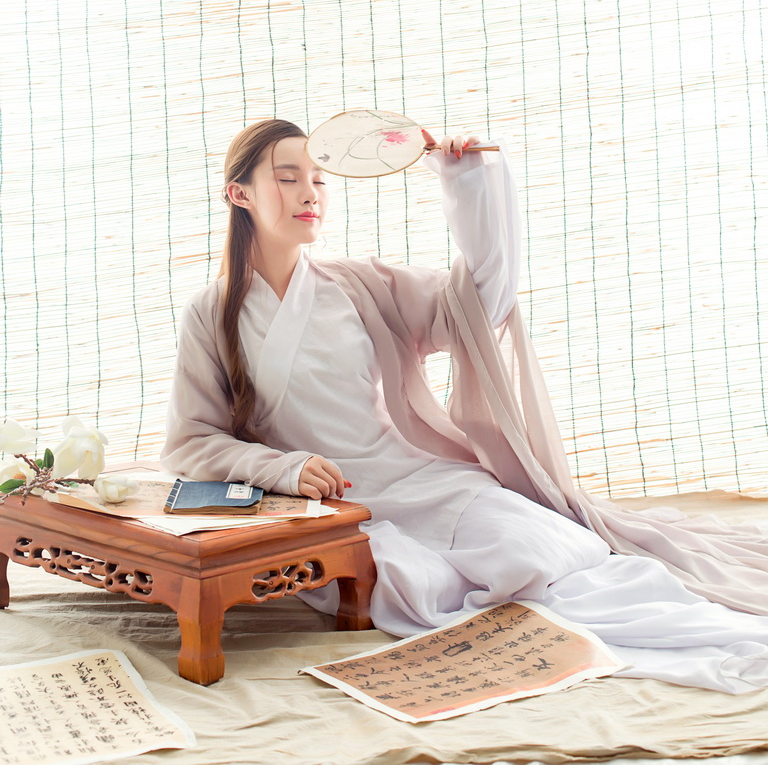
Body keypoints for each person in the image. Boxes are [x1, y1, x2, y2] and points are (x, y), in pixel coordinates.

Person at [162, 118, 768, 694]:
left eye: (319, 179)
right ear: (239, 194)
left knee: (548, 548)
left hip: (420, 478)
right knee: (415, 587)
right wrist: (285, 468)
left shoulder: (359, 285)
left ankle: (724, 638)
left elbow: (479, 304)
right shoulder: (210, 313)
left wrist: (467, 184)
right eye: (288, 177)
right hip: (337, 508)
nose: (310, 193)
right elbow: (191, 442)